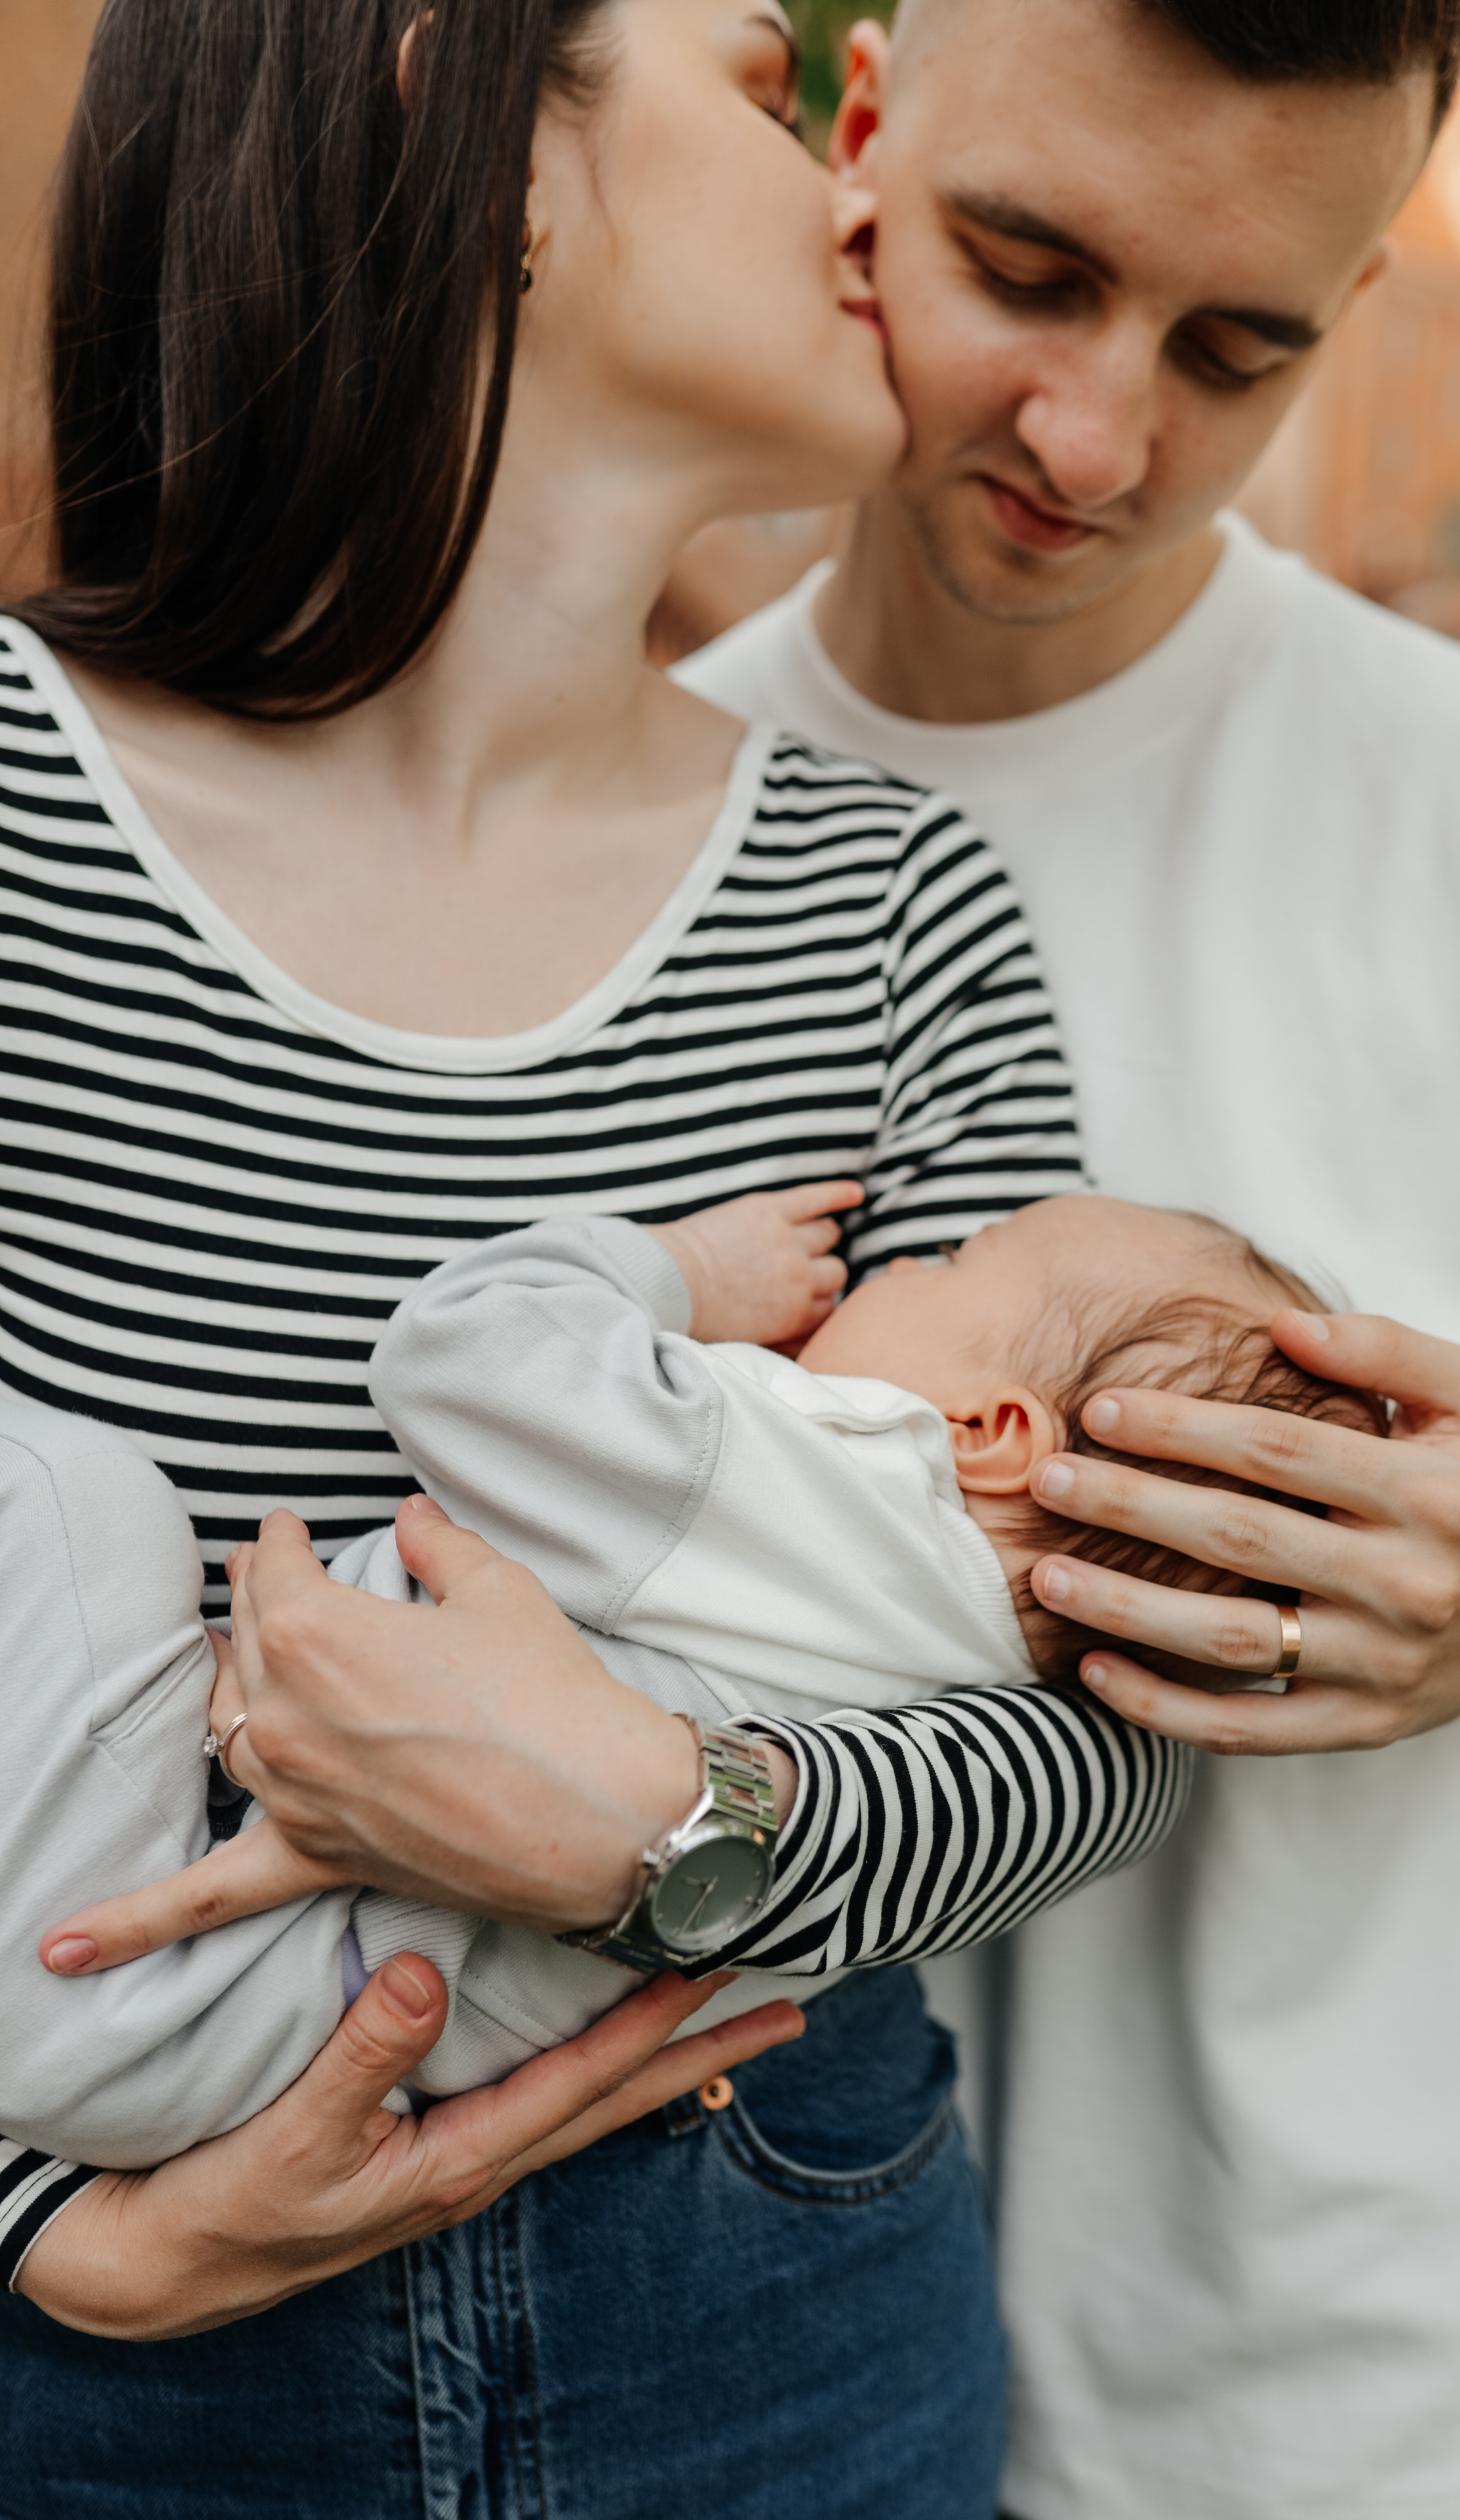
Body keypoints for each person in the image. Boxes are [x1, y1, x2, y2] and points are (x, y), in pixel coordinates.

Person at [0, 4, 1186, 2514]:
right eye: (771, 90)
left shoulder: (894, 909)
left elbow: (1107, 1704)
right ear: (457, 107)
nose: (867, 199)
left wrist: (669, 1824)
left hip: (776, 2288)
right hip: (93, 2357)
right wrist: (29, 2219)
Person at [674, 2, 1460, 2515]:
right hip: (701, 2383)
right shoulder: (615, 807)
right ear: (864, 137)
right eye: (1033, 272)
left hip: (1332, 2416)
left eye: (1244, 352)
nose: (1102, 440)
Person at [17, 1187, 1375, 2163]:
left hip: (139, 1987)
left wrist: (672, 1269)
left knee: (67, 1491)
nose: (891, 1267)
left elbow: (460, 1352)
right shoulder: (1006, 1676)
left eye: (955, 1257)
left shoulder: (804, 1465)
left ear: (986, 1431)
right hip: (281, 2086)